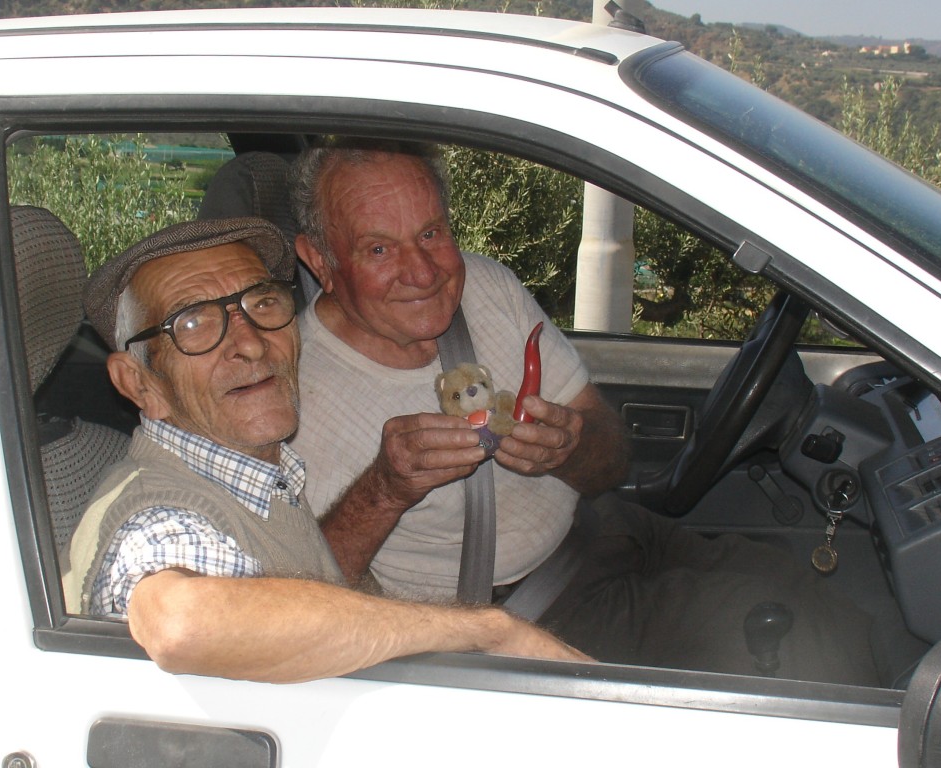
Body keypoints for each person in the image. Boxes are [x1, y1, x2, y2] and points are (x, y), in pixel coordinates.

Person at [288, 138, 881, 685]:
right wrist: (385, 490)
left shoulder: (488, 288)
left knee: (811, 590)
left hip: (607, 527)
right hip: (530, 614)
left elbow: (611, 461)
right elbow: (298, 602)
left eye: (431, 234)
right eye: (379, 249)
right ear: (320, 261)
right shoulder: (296, 390)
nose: (422, 271)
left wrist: (572, 448)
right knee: (811, 640)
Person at [65, 216, 589, 685]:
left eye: (263, 303)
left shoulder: (262, 476)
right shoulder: (161, 513)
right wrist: (490, 633)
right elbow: (180, 621)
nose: (250, 343)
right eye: (194, 323)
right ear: (137, 383)